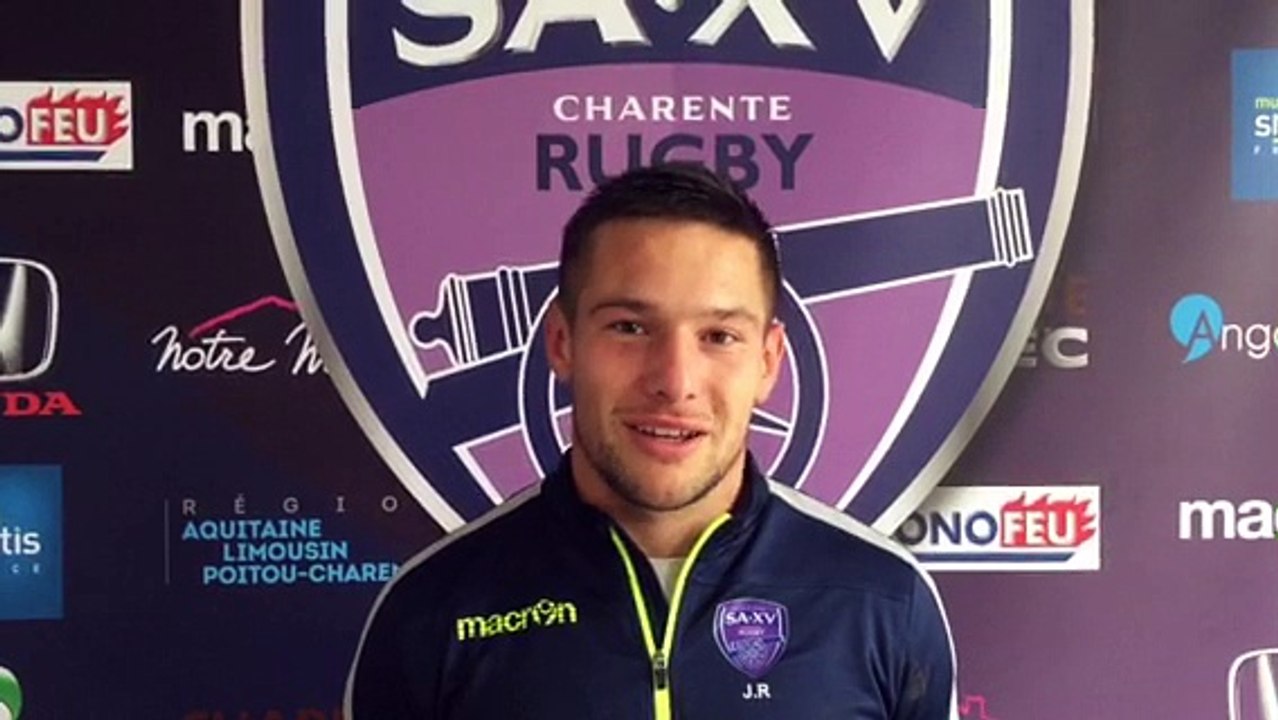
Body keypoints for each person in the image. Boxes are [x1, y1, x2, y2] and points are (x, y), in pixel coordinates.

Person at [345, 163, 958, 719]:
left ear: (769, 362)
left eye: (719, 336)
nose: (674, 381)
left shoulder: (884, 601)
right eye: (630, 327)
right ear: (562, 343)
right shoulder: (431, 612)